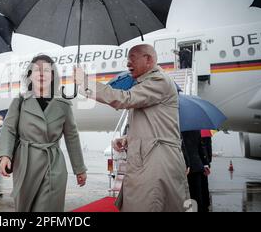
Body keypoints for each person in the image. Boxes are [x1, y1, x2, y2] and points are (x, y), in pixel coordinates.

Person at [75, 44, 189, 212]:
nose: (128, 63)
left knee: (150, 204)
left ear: (148, 60)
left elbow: (125, 99)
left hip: (156, 161)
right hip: (148, 158)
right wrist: (128, 138)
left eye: (132, 58)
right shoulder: (146, 83)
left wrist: (86, 83)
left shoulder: (159, 80)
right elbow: (154, 125)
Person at [0, 54, 87, 212]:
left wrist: (79, 168)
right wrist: (5, 155)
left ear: (53, 76)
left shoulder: (63, 105)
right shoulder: (19, 101)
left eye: (46, 70)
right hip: (25, 164)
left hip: (53, 165)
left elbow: (72, 137)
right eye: (36, 70)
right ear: (30, 75)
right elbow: (8, 129)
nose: (41, 73)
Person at [181, 130, 210, 212]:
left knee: (187, 196)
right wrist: (205, 164)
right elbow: (201, 147)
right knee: (197, 195)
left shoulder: (178, 130)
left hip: (184, 166)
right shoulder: (195, 129)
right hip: (197, 166)